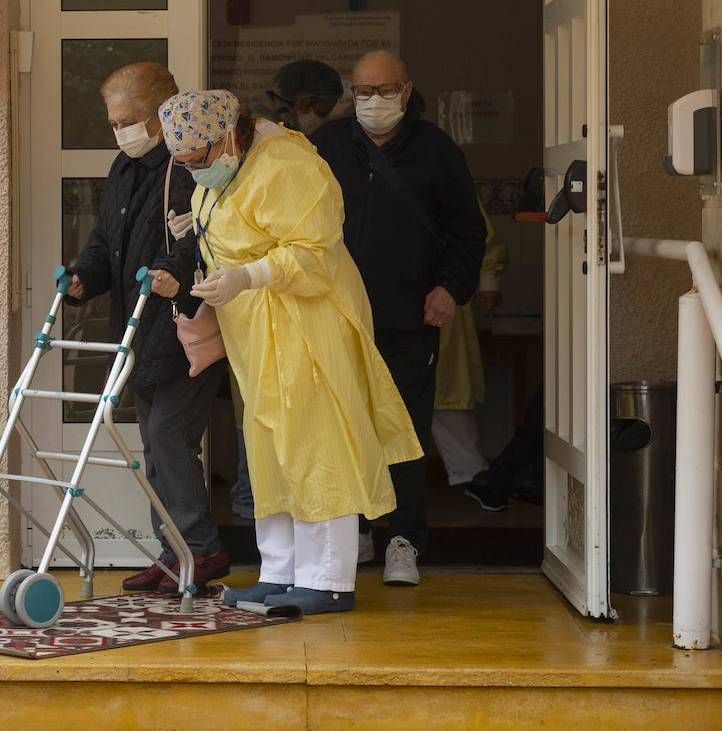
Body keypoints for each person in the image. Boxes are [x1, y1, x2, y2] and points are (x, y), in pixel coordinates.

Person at [159, 88, 420, 614]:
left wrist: (248, 274)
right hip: (256, 332)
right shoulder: (223, 170)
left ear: (227, 136)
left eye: (197, 160)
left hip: (307, 324)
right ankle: (279, 572)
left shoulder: (285, 162)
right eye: (181, 164)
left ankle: (327, 579)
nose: (192, 171)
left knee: (318, 445)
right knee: (270, 451)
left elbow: (314, 249)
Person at [309, 51, 486, 586]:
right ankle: (356, 530)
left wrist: (449, 288)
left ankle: (402, 540)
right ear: (350, 93)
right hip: (336, 318)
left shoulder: (437, 152)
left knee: (404, 431)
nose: (374, 101)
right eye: (363, 91)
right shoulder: (325, 146)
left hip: (410, 318)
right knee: (343, 429)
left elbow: (467, 233)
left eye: (385, 91)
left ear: (407, 94)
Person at [65, 62, 231, 593]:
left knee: (168, 437)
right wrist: (81, 279)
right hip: (137, 327)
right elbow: (104, 239)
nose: (122, 132)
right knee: (157, 446)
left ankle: (201, 550)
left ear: (161, 115)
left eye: (129, 121)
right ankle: (174, 551)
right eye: (114, 123)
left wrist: (172, 275)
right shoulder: (124, 167)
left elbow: (202, 239)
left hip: (181, 321)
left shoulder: (187, 165)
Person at [432, 204, 508, 509]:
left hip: (442, 296)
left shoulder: (442, 171)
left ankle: (476, 476)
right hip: (382, 302)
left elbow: (478, 233)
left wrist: (489, 281)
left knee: (448, 391)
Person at [253, 59, 345, 135]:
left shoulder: (281, 122)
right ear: (304, 102)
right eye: (323, 113)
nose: (325, 120)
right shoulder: (264, 130)